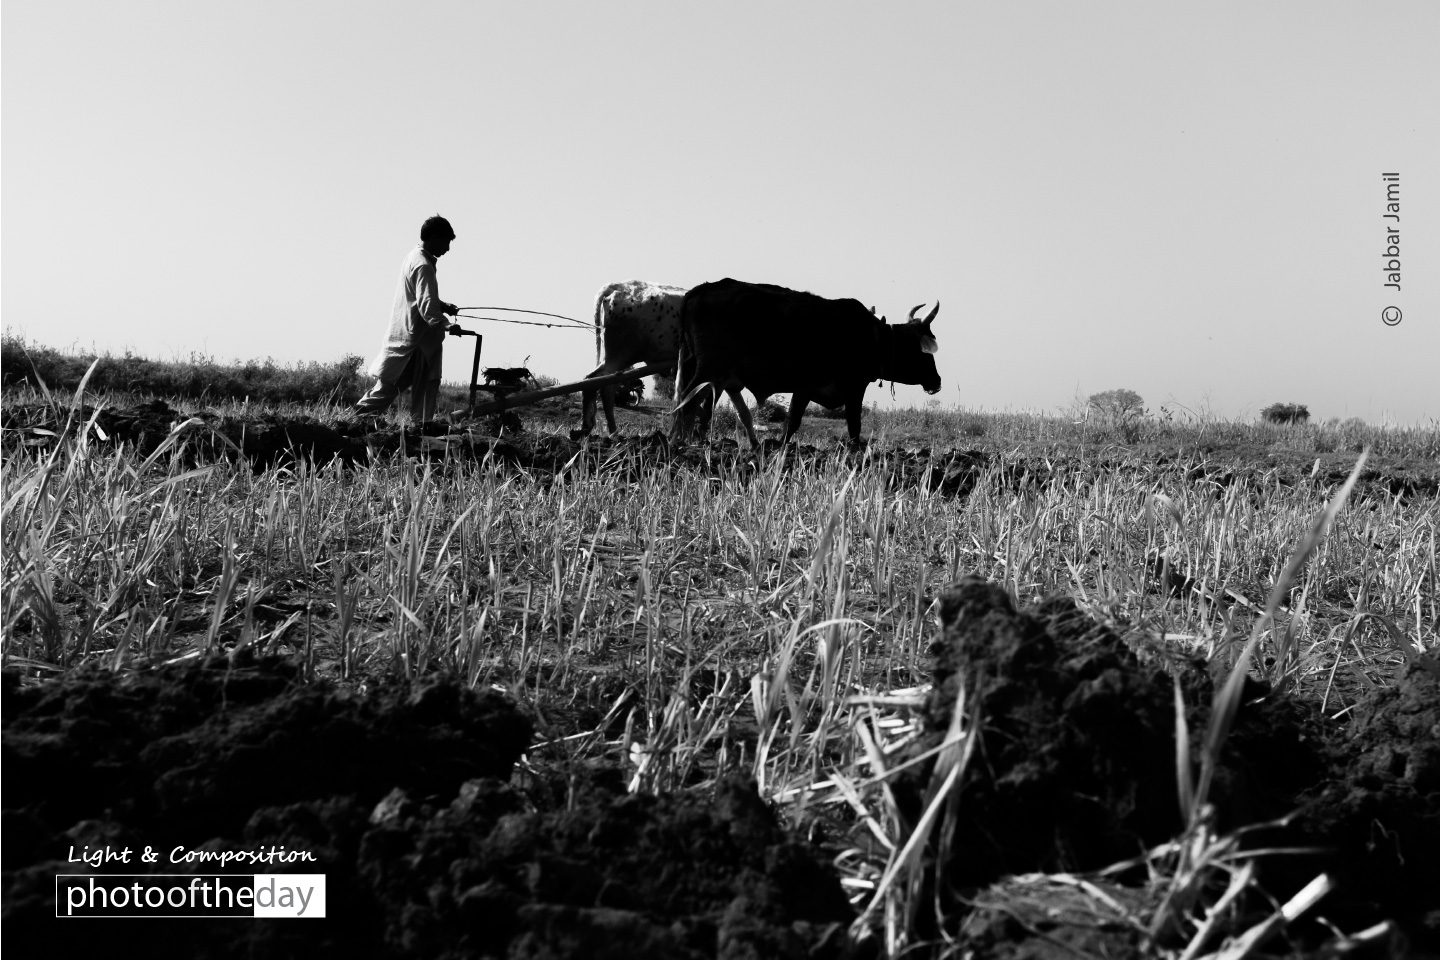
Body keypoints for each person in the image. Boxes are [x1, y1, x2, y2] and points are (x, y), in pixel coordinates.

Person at [355, 215, 462, 424]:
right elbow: (426, 307)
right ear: (433, 238)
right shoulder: (424, 266)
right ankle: (420, 428)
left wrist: (443, 305)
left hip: (408, 340)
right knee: (422, 389)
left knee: (388, 389)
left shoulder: (413, 257)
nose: (448, 249)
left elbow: (420, 297)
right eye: (446, 242)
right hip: (418, 345)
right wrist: (448, 325)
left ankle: (356, 419)